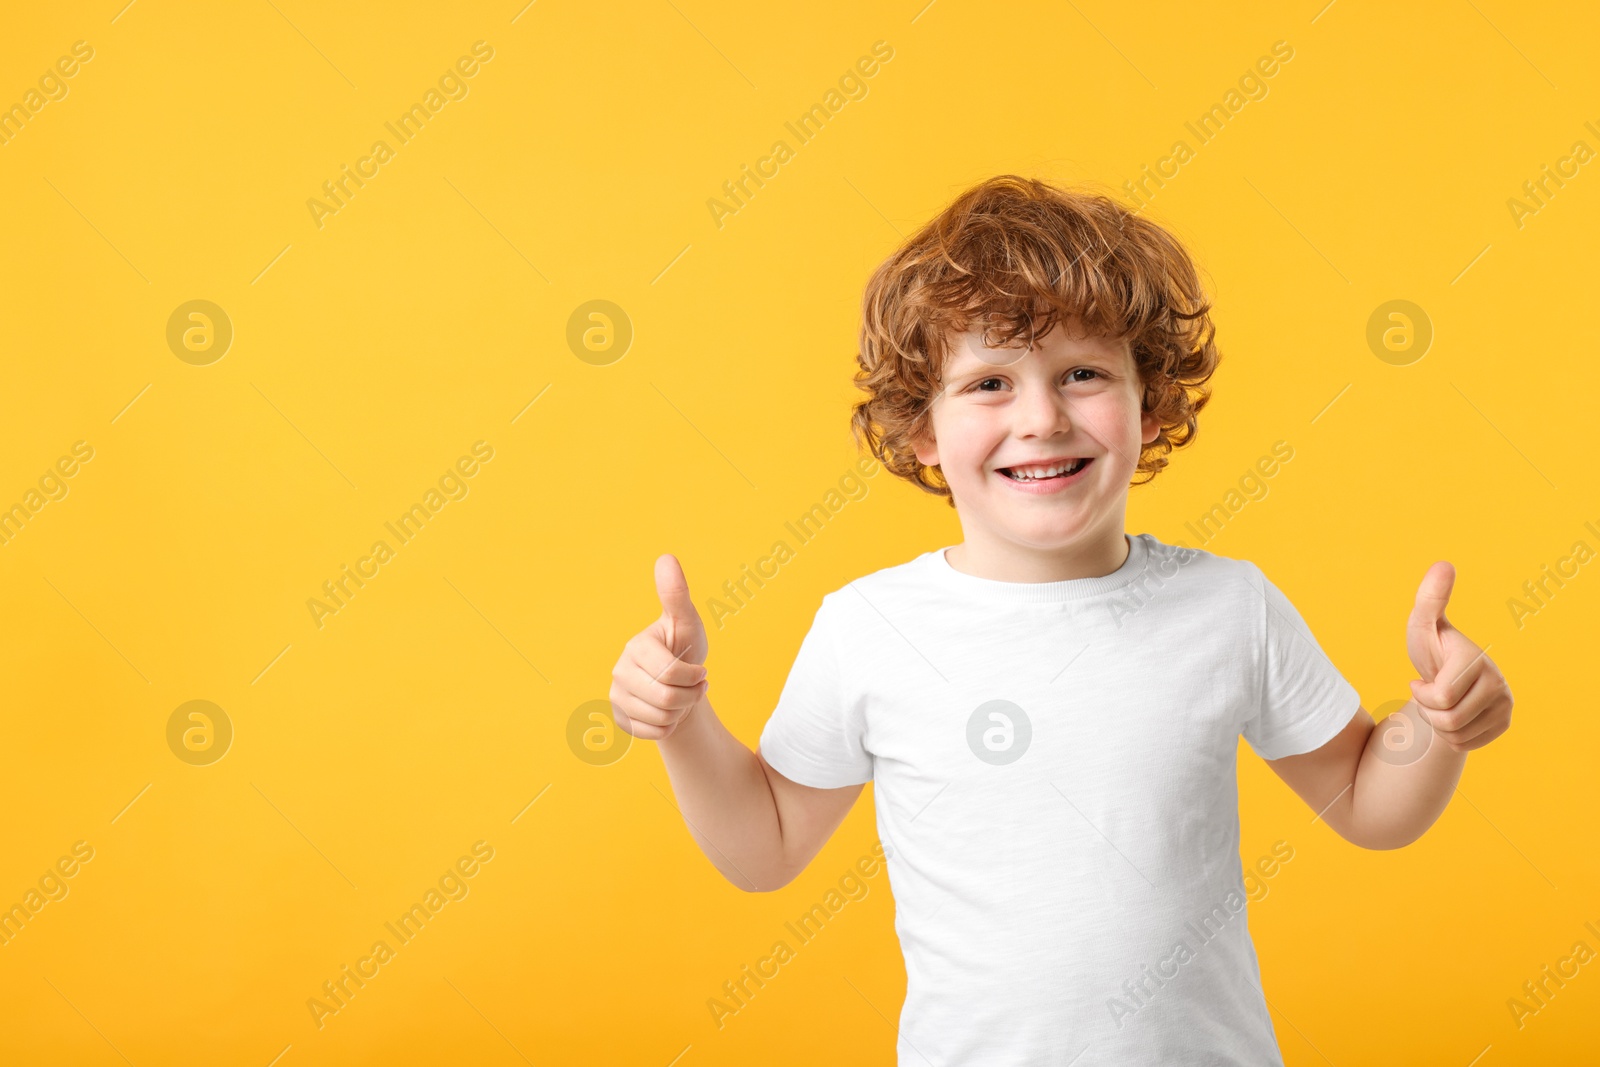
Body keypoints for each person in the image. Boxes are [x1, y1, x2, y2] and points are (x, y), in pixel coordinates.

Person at [608, 174, 1514, 1065]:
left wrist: (1437, 726)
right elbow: (765, 845)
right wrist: (681, 723)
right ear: (921, 427)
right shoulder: (870, 628)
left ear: (1150, 403)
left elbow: (1367, 802)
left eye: (1082, 374)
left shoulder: (1230, 607)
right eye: (989, 383)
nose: (1040, 419)